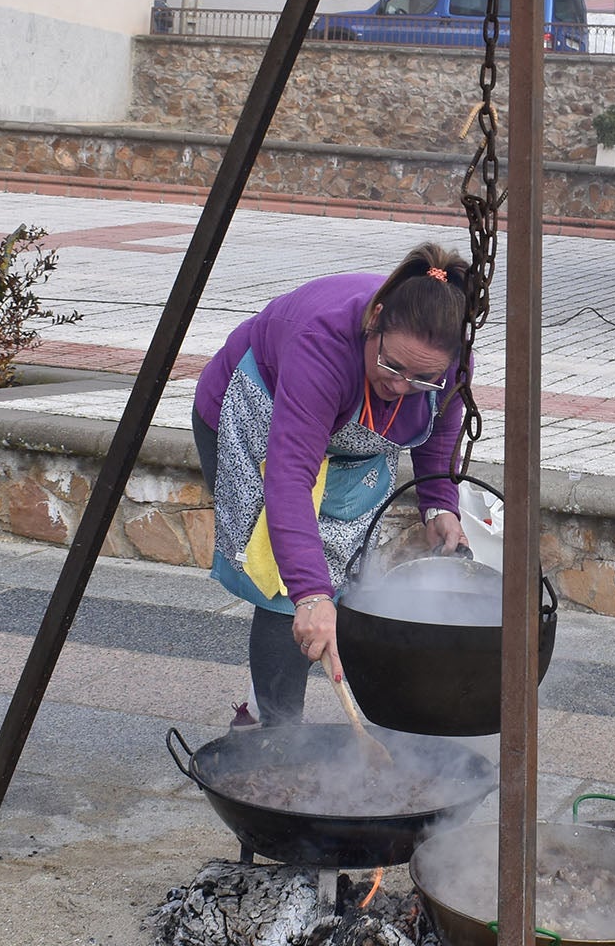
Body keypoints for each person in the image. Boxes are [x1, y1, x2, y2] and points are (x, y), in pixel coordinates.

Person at [192, 245, 474, 722]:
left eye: (422, 378)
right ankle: (274, 733)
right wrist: (313, 597)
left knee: (350, 571)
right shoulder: (321, 344)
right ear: (375, 320)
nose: (401, 386)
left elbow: (439, 425)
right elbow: (288, 481)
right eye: (391, 366)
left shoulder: (445, 358)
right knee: (286, 589)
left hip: (349, 444)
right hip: (255, 421)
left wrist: (439, 505)